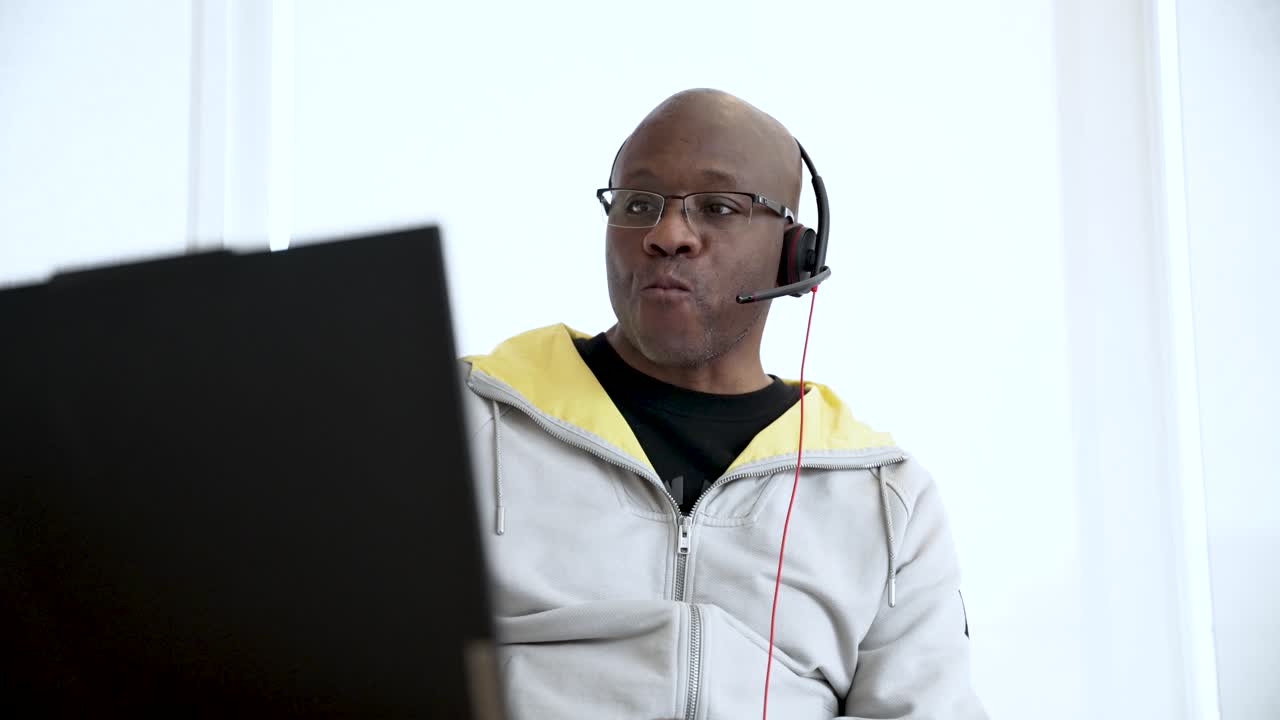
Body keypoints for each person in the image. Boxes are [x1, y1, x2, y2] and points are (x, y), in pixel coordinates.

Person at [459, 88, 986, 719]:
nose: (667, 234)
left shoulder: (884, 499)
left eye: (716, 206)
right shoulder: (458, 423)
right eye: (638, 203)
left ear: (796, 252)